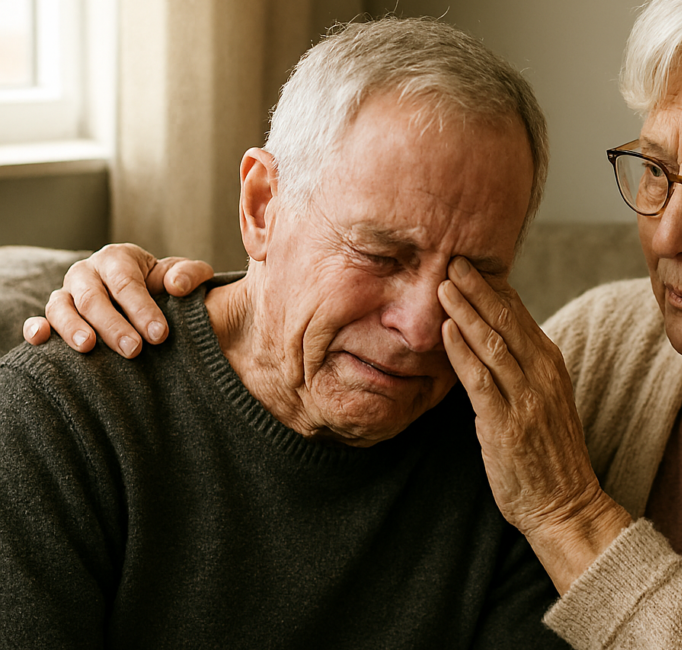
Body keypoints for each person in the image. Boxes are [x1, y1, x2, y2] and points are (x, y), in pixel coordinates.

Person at [26, 0, 682, 648]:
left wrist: (567, 510)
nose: (667, 235)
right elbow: (321, 342)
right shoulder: (593, 347)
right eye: (655, 169)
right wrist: (154, 295)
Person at [0, 17, 569, 648]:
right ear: (262, 206)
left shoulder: (512, 447)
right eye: (381, 255)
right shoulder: (61, 417)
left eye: (475, 275)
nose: (421, 329)